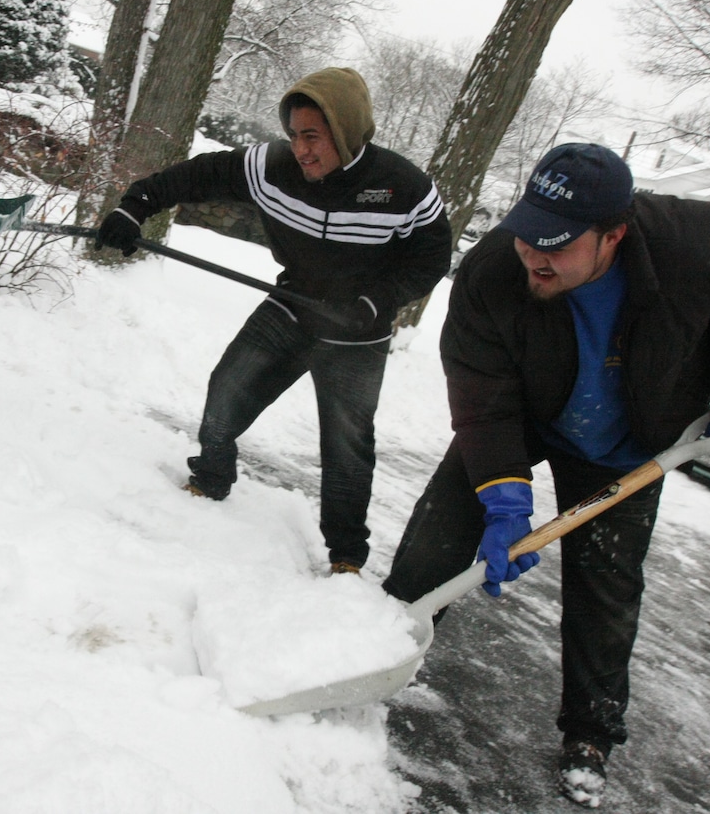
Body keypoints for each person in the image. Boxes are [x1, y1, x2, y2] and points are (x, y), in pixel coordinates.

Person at [380, 143, 710, 806]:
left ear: (614, 234)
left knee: (605, 581)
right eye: (527, 236)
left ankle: (591, 731)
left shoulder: (698, 246)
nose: (533, 255)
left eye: (555, 245)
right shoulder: (493, 270)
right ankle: (378, 647)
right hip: (523, 411)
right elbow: (482, 394)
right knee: (439, 533)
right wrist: (504, 497)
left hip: (628, 439)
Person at [97, 67, 452, 574]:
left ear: (346, 131)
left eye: (313, 136)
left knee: (347, 448)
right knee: (226, 391)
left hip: (356, 331)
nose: (301, 150)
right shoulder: (270, 167)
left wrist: (378, 300)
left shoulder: (404, 189)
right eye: (294, 136)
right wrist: (135, 208)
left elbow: (433, 257)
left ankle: (347, 559)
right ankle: (209, 481)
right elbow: (196, 175)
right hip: (293, 307)